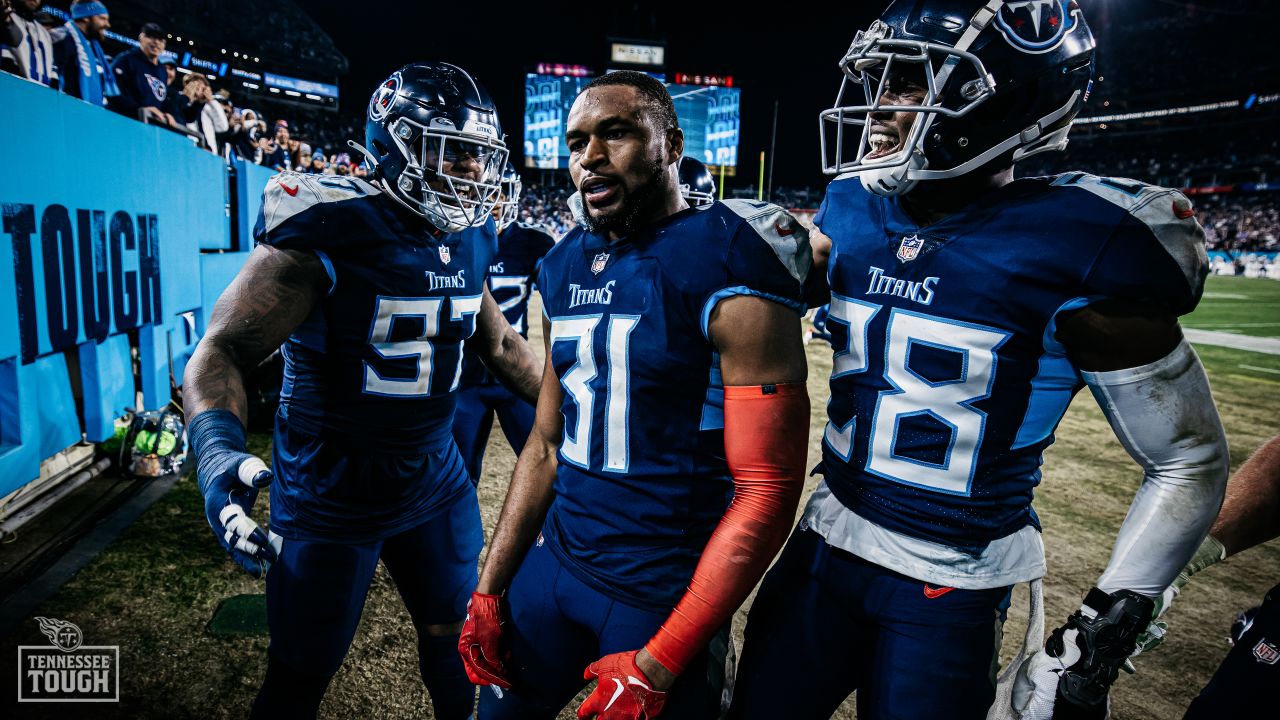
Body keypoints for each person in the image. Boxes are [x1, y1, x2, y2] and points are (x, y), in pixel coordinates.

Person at [728, 3, 1230, 720]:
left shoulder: (1080, 242)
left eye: (908, 80)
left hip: (949, 585)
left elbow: (1187, 458)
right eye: (881, 78)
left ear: (999, 96)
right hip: (823, 546)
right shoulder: (850, 207)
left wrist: (1101, 633)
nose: (877, 103)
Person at [182, 61, 541, 720]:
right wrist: (214, 454)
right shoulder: (330, 226)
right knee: (299, 674)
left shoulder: (466, 233)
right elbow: (222, 350)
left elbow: (500, 345)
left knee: (455, 645)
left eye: (479, 156)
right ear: (394, 143)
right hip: (330, 491)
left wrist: (582, 416)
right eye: (455, 152)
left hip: (435, 481)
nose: (472, 172)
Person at [459, 70, 813, 720]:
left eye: (614, 133)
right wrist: (488, 589)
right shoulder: (562, 265)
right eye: (575, 141)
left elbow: (767, 490)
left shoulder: (732, 261)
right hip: (558, 565)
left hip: (661, 595)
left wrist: (662, 660)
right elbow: (542, 445)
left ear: (671, 144)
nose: (588, 156)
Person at [450, 162, 555, 485]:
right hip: (465, 377)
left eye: (501, 193)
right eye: (488, 192)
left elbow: (557, 306)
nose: (494, 201)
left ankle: (549, 533)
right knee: (460, 475)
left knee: (548, 459)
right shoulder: (458, 238)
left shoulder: (534, 243)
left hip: (514, 374)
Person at [50, 0, 117, 106]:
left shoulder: (94, 48)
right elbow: (52, 80)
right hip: (65, 109)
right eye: (102, 18)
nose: (107, 24)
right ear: (86, 17)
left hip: (87, 113)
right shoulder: (61, 38)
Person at [108, 21, 167, 124]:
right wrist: (139, 110)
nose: (156, 42)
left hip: (151, 127)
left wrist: (167, 113)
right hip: (123, 121)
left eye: (160, 40)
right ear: (141, 38)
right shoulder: (125, 60)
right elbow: (112, 93)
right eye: (151, 37)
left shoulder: (162, 71)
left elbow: (161, 100)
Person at [4, 0, 55, 86]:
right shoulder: (7, 20)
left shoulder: (45, 33)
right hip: (14, 90)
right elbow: (6, 64)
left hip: (43, 95)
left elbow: (53, 76)